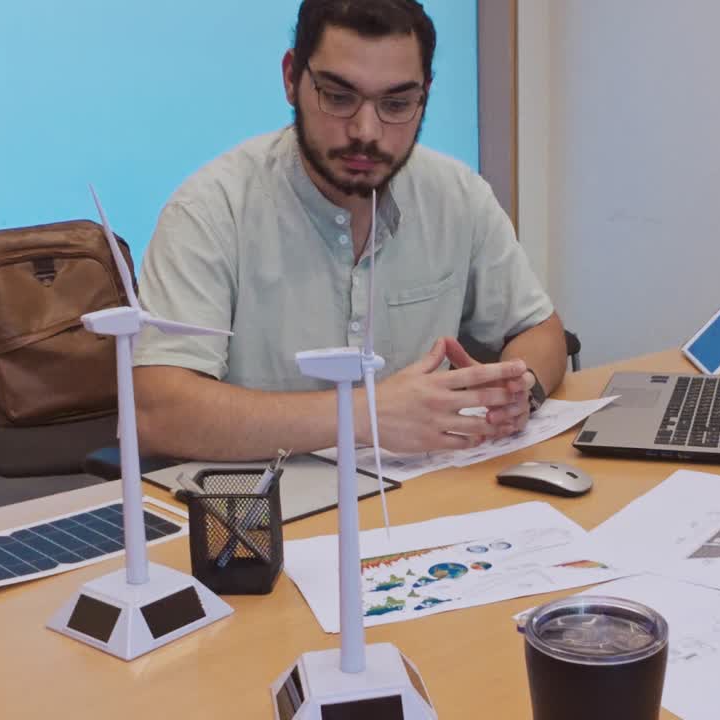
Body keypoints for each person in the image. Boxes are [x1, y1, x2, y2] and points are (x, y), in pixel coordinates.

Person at [132, 0, 567, 460]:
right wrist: (367, 417)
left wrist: (522, 392)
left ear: (425, 97)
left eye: (396, 104)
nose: (366, 131)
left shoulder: (457, 195)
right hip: (268, 508)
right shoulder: (210, 211)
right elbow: (159, 411)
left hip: (427, 492)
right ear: (290, 78)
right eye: (338, 97)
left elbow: (540, 330)